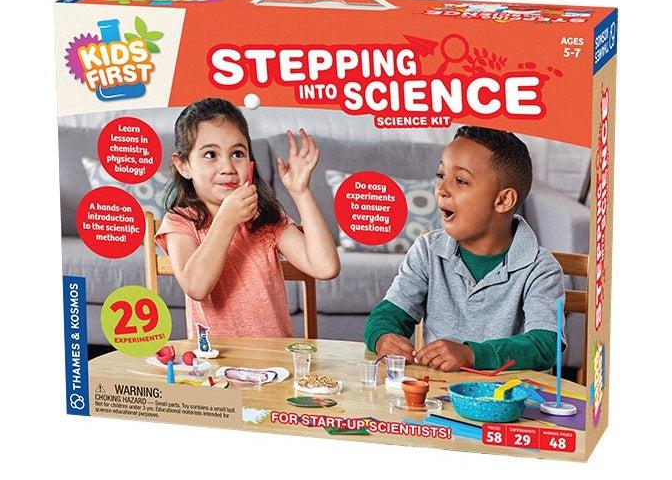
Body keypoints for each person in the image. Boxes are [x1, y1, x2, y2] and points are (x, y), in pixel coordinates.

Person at [364, 126, 565, 372]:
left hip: (508, 394)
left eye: (460, 180)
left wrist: (471, 354)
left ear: (503, 200)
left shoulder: (541, 267)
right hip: (437, 390)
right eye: (441, 175)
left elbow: (545, 344)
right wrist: (383, 337)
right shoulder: (427, 251)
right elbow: (387, 316)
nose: (442, 189)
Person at [156, 98, 340, 339]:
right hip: (216, 359)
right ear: (183, 166)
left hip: (275, 359)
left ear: (250, 162)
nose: (228, 167)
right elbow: (196, 286)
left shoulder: (265, 218)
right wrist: (227, 219)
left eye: (237, 153)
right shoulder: (180, 221)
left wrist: (300, 192)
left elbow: (325, 267)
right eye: (210, 154)